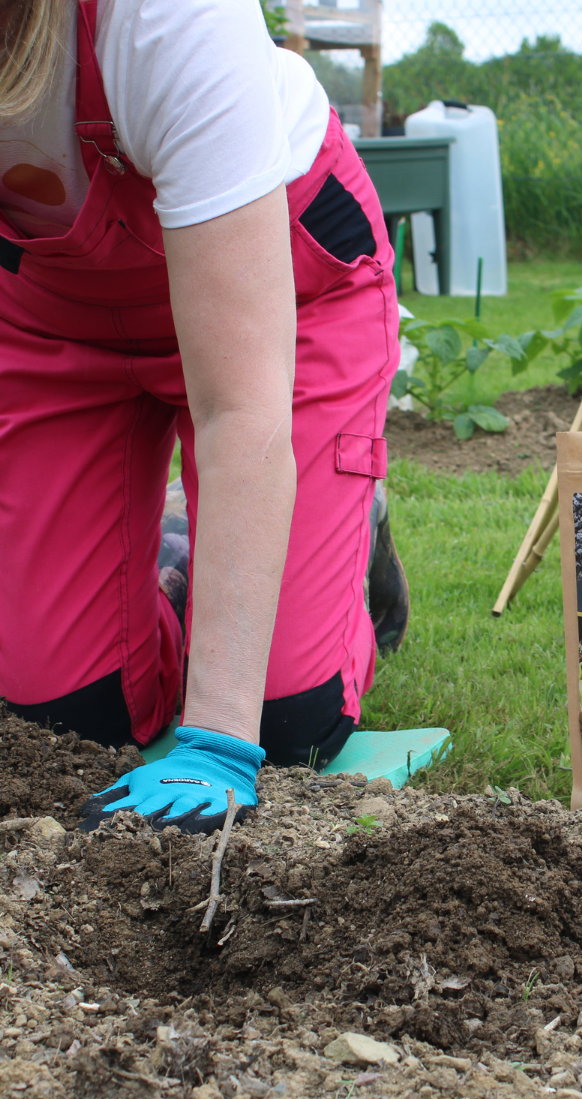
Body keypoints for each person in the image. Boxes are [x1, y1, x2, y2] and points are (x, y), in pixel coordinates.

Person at [0, 0, 409, 833]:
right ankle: (184, 557)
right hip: (57, 319)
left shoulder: (163, 17)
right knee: (66, 718)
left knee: (286, 721)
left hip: (286, 297)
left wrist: (220, 739)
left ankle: (342, 535)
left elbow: (242, 406)